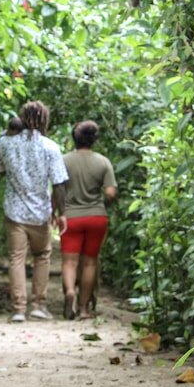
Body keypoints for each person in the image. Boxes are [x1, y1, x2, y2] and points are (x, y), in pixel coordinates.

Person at [0, 101, 68, 322]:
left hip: (14, 211)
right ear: (44, 119)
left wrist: (6, 133)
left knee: (16, 259)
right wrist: (61, 212)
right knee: (42, 256)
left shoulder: (5, 143)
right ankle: (38, 304)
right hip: (40, 212)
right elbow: (59, 183)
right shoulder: (50, 147)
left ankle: (18, 309)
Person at [60, 120, 117, 320]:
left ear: (74, 138)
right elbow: (110, 192)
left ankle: (69, 292)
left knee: (69, 261)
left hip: (71, 217)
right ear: (94, 139)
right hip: (96, 217)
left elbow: (57, 189)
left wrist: (56, 211)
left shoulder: (64, 160)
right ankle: (84, 309)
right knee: (90, 263)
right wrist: (100, 203)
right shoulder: (103, 162)